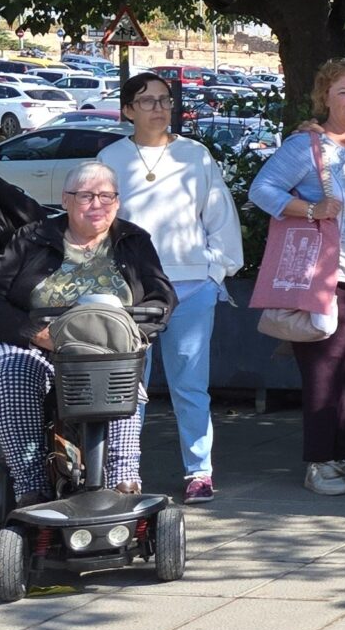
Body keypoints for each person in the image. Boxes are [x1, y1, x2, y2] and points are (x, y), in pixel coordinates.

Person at [0, 162, 176, 504]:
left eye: (106, 196)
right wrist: (35, 332)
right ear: (65, 200)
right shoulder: (31, 238)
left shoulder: (133, 240)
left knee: (119, 370)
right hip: (33, 344)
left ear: (118, 202)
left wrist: (129, 334)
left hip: (107, 346)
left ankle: (123, 479)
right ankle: (30, 486)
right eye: (86, 196)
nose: (97, 205)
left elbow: (162, 298)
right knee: (11, 370)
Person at [252, 58, 345, 496]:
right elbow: (261, 189)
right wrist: (311, 209)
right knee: (323, 371)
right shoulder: (308, 146)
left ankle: (342, 452)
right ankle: (318, 462)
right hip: (325, 276)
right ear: (325, 97)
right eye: (344, 92)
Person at [101, 72, 244, 503]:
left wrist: (215, 271)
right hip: (130, 290)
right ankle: (125, 471)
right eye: (147, 101)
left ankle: (199, 472)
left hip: (191, 287)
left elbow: (219, 215)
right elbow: (97, 223)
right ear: (128, 110)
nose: (159, 108)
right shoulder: (110, 157)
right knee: (129, 386)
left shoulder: (194, 154)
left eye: (165, 99)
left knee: (190, 386)